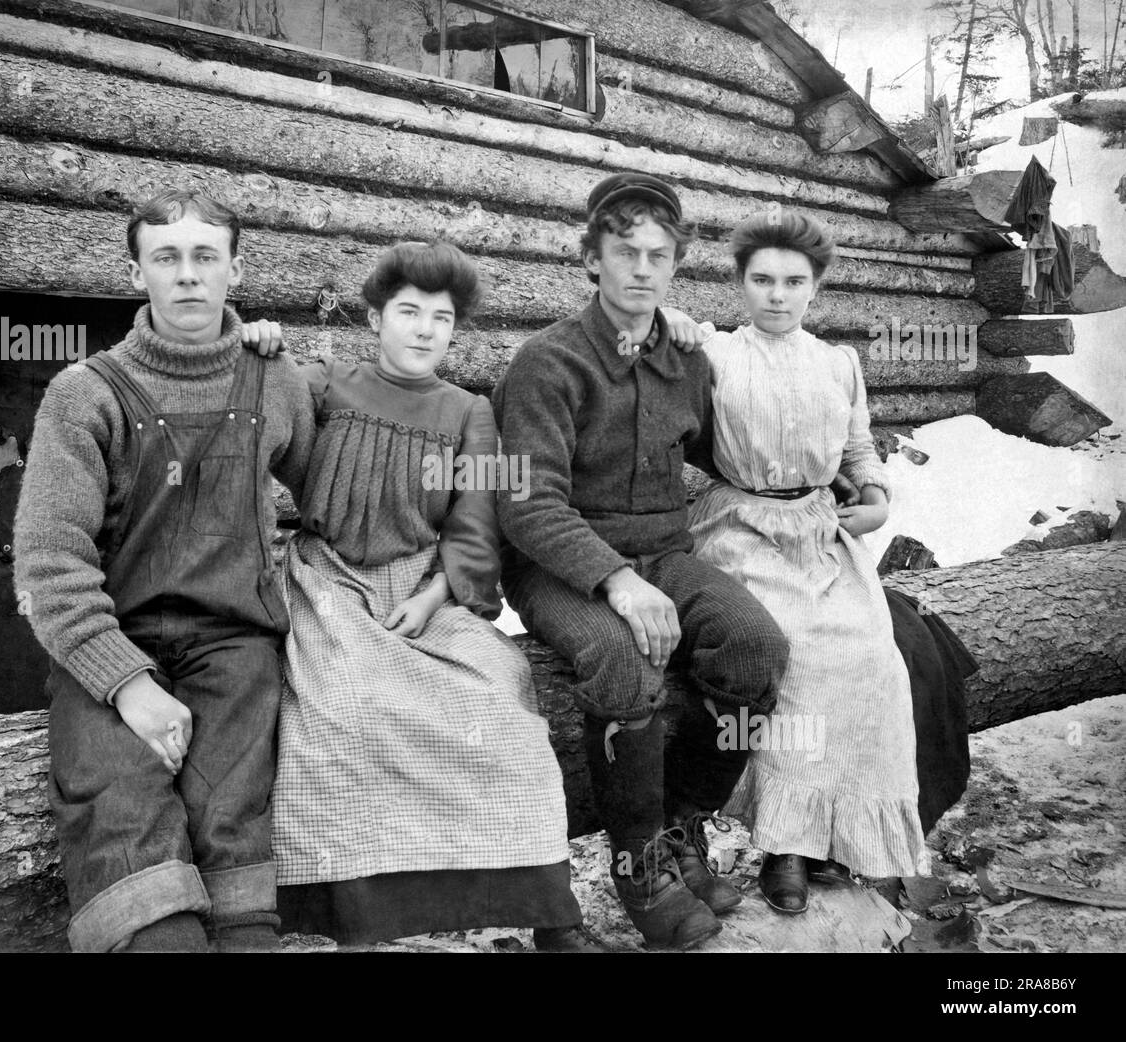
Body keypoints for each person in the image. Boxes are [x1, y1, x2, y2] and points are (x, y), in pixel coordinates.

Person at [262, 240, 601, 952]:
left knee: (501, 696)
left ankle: (548, 912)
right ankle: (359, 915)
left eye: (439, 319)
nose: (422, 330)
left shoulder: (469, 412)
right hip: (329, 581)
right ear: (376, 318)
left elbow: (477, 516)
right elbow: (270, 400)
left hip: (426, 581)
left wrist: (435, 596)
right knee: (341, 710)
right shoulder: (329, 387)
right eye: (407, 312)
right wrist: (258, 344)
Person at [492, 174, 791, 950]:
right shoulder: (547, 363)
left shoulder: (684, 360)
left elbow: (727, 453)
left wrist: (839, 480)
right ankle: (635, 864)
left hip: (664, 552)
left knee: (757, 646)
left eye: (660, 256)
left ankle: (681, 826)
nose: (642, 270)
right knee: (626, 664)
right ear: (591, 260)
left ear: (676, 266)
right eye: (624, 252)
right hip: (558, 565)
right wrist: (617, 582)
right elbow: (526, 504)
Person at [13, 189, 314, 952]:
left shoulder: (275, 381)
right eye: (167, 258)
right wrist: (129, 684)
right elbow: (49, 562)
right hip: (112, 649)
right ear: (137, 272)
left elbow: (341, 495)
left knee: (234, 822)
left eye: (205, 257)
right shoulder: (85, 394)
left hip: (235, 648)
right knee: (121, 815)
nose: (187, 276)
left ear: (234, 269)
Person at [685, 208, 931, 914]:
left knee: (873, 655)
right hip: (742, 524)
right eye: (761, 279)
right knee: (794, 652)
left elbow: (857, 452)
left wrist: (877, 497)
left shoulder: (837, 362)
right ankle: (784, 845)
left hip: (823, 530)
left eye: (794, 281)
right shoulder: (713, 355)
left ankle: (836, 834)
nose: (777, 295)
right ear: (739, 283)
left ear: (816, 286)